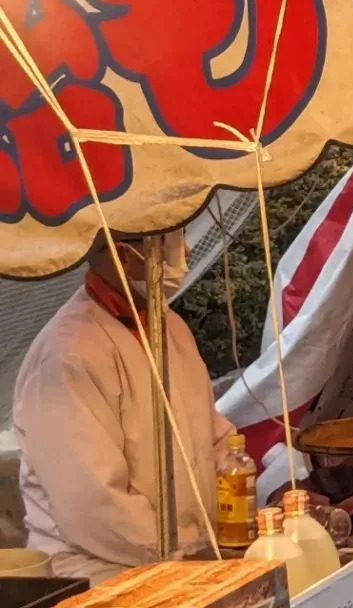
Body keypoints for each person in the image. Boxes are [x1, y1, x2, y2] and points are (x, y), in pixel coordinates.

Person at [13, 233, 232, 583]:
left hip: (188, 560)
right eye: (169, 242)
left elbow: (213, 437)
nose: (186, 252)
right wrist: (186, 558)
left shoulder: (169, 326)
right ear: (124, 254)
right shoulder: (65, 354)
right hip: (96, 571)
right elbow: (94, 506)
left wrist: (243, 498)